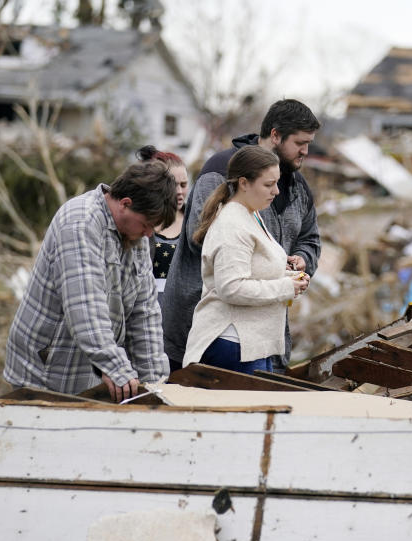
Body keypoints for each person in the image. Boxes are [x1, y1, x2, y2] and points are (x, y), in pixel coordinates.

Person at [161, 98, 321, 371]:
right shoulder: (221, 172)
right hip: (213, 330)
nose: (306, 151)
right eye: (299, 143)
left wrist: (301, 259)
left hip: (260, 331)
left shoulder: (297, 185)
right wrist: (273, 269)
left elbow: (310, 238)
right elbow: (200, 239)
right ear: (275, 135)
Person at [3, 162, 176, 402]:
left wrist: (155, 385)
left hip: (86, 372)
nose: (149, 234)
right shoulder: (80, 223)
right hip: (43, 372)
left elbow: (145, 312)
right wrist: (116, 368)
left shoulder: (136, 238)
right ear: (125, 204)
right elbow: (85, 307)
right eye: (146, 225)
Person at [183, 146, 309, 373]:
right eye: (268, 185)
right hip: (233, 346)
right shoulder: (232, 225)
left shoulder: (251, 214)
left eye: (277, 183)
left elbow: (252, 271)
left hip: (250, 345)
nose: (276, 191)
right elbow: (231, 288)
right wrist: (286, 286)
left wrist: (290, 277)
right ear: (244, 183)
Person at [135, 145, 190, 309]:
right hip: (144, 308)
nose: (179, 191)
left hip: (184, 314)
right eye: (174, 184)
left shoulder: (196, 222)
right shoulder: (139, 223)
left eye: (184, 184)